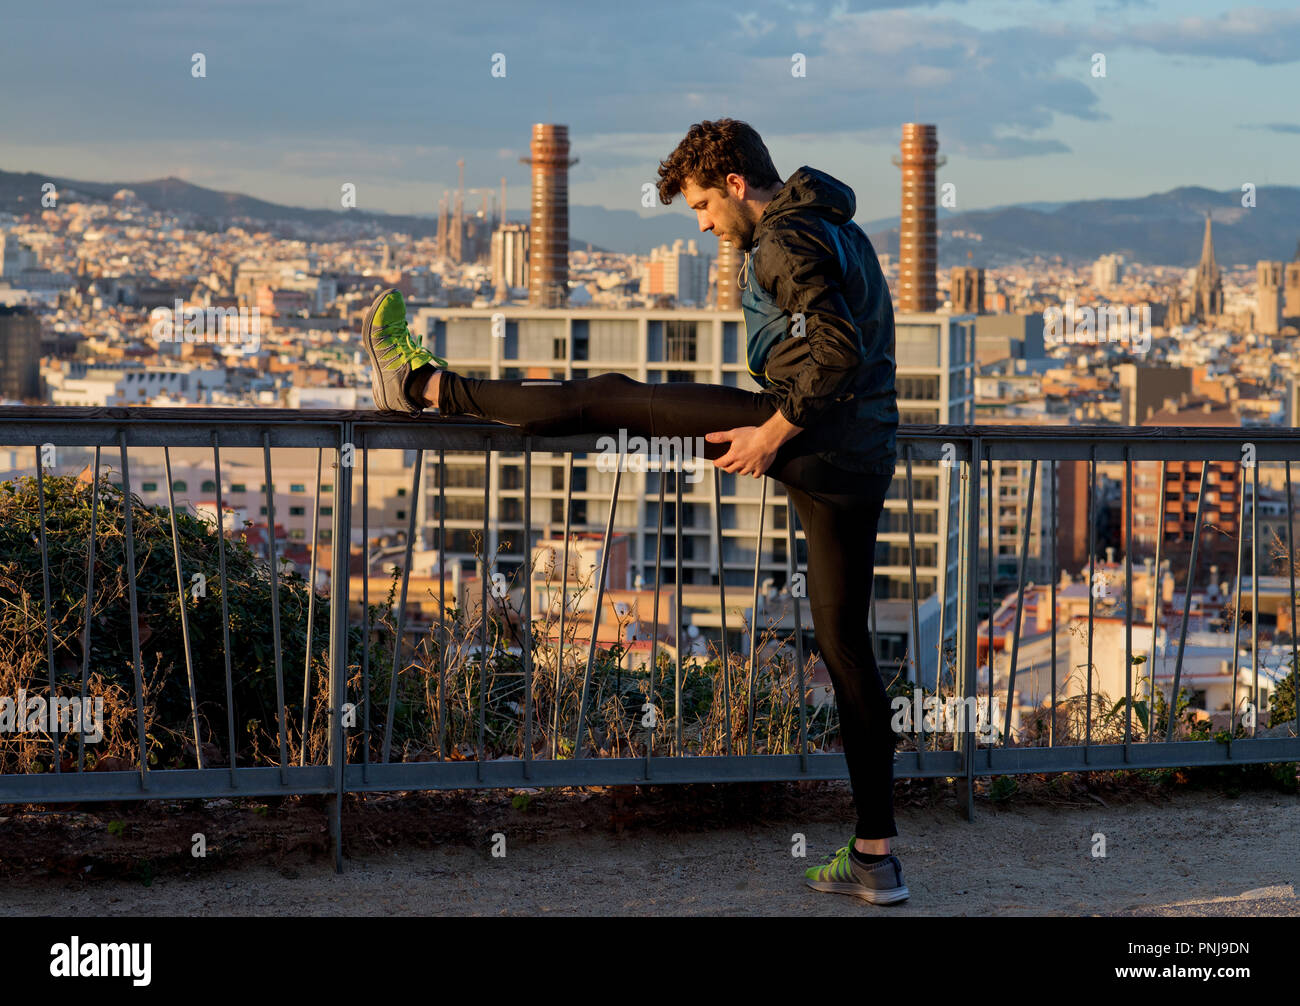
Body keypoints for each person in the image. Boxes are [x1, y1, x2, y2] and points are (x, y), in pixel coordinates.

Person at [362, 118, 906, 905]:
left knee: (605, 397)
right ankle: (875, 858)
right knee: (848, 653)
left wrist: (769, 437)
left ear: (733, 183)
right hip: (860, 461)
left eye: (700, 208)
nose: (707, 226)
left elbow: (838, 351)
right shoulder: (835, 225)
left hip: (809, 438)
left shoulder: (785, 239)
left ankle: (417, 385)